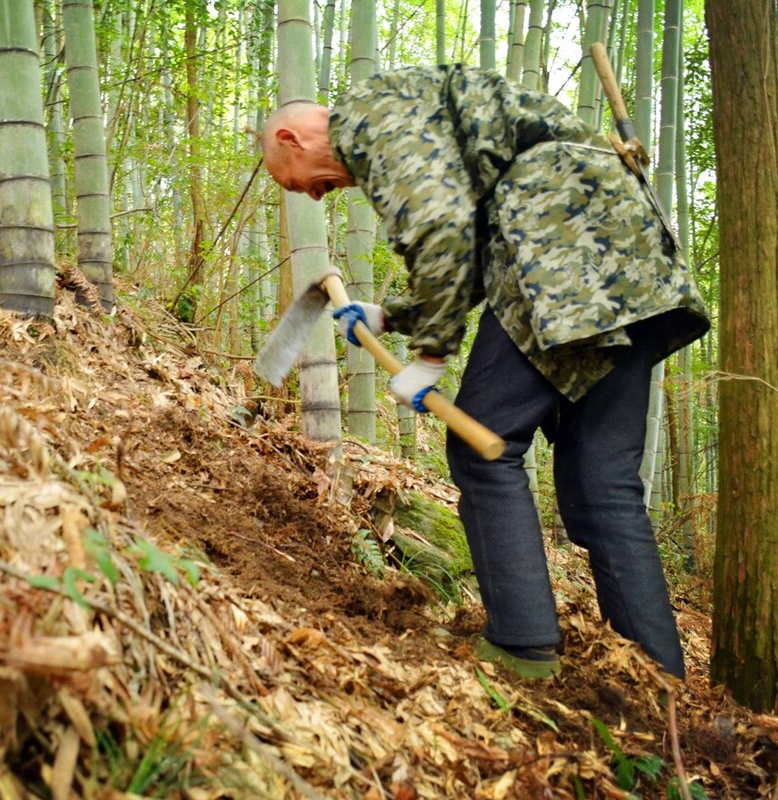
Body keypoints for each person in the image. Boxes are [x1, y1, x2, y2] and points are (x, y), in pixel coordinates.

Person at [260, 65, 709, 680]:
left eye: (303, 185)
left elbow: (443, 228)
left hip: (562, 248)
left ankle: (523, 647)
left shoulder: (368, 116)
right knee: (602, 486)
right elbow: (470, 245)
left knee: (483, 450)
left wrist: (432, 355)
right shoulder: (414, 116)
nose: (318, 194)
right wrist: (395, 316)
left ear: (293, 139)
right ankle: (664, 690)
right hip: (627, 262)